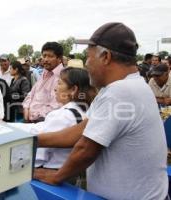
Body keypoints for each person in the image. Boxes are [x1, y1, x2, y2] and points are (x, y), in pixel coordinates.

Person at [34, 22, 168, 200]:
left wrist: (56, 176)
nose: (86, 65)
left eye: (88, 58)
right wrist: (31, 141)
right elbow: (79, 132)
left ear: (105, 56)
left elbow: (85, 148)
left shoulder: (119, 92)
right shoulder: (130, 85)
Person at [31, 68, 93, 169]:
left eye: (59, 83)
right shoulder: (85, 112)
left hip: (50, 171)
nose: (55, 88)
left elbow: (39, 158)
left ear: (73, 90)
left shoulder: (62, 115)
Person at [22, 42, 64, 122]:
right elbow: (31, 94)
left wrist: (33, 116)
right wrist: (26, 107)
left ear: (59, 59)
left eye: (50, 56)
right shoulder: (45, 73)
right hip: (31, 120)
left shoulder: (62, 77)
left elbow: (56, 106)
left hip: (44, 123)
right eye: (44, 56)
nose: (46, 59)